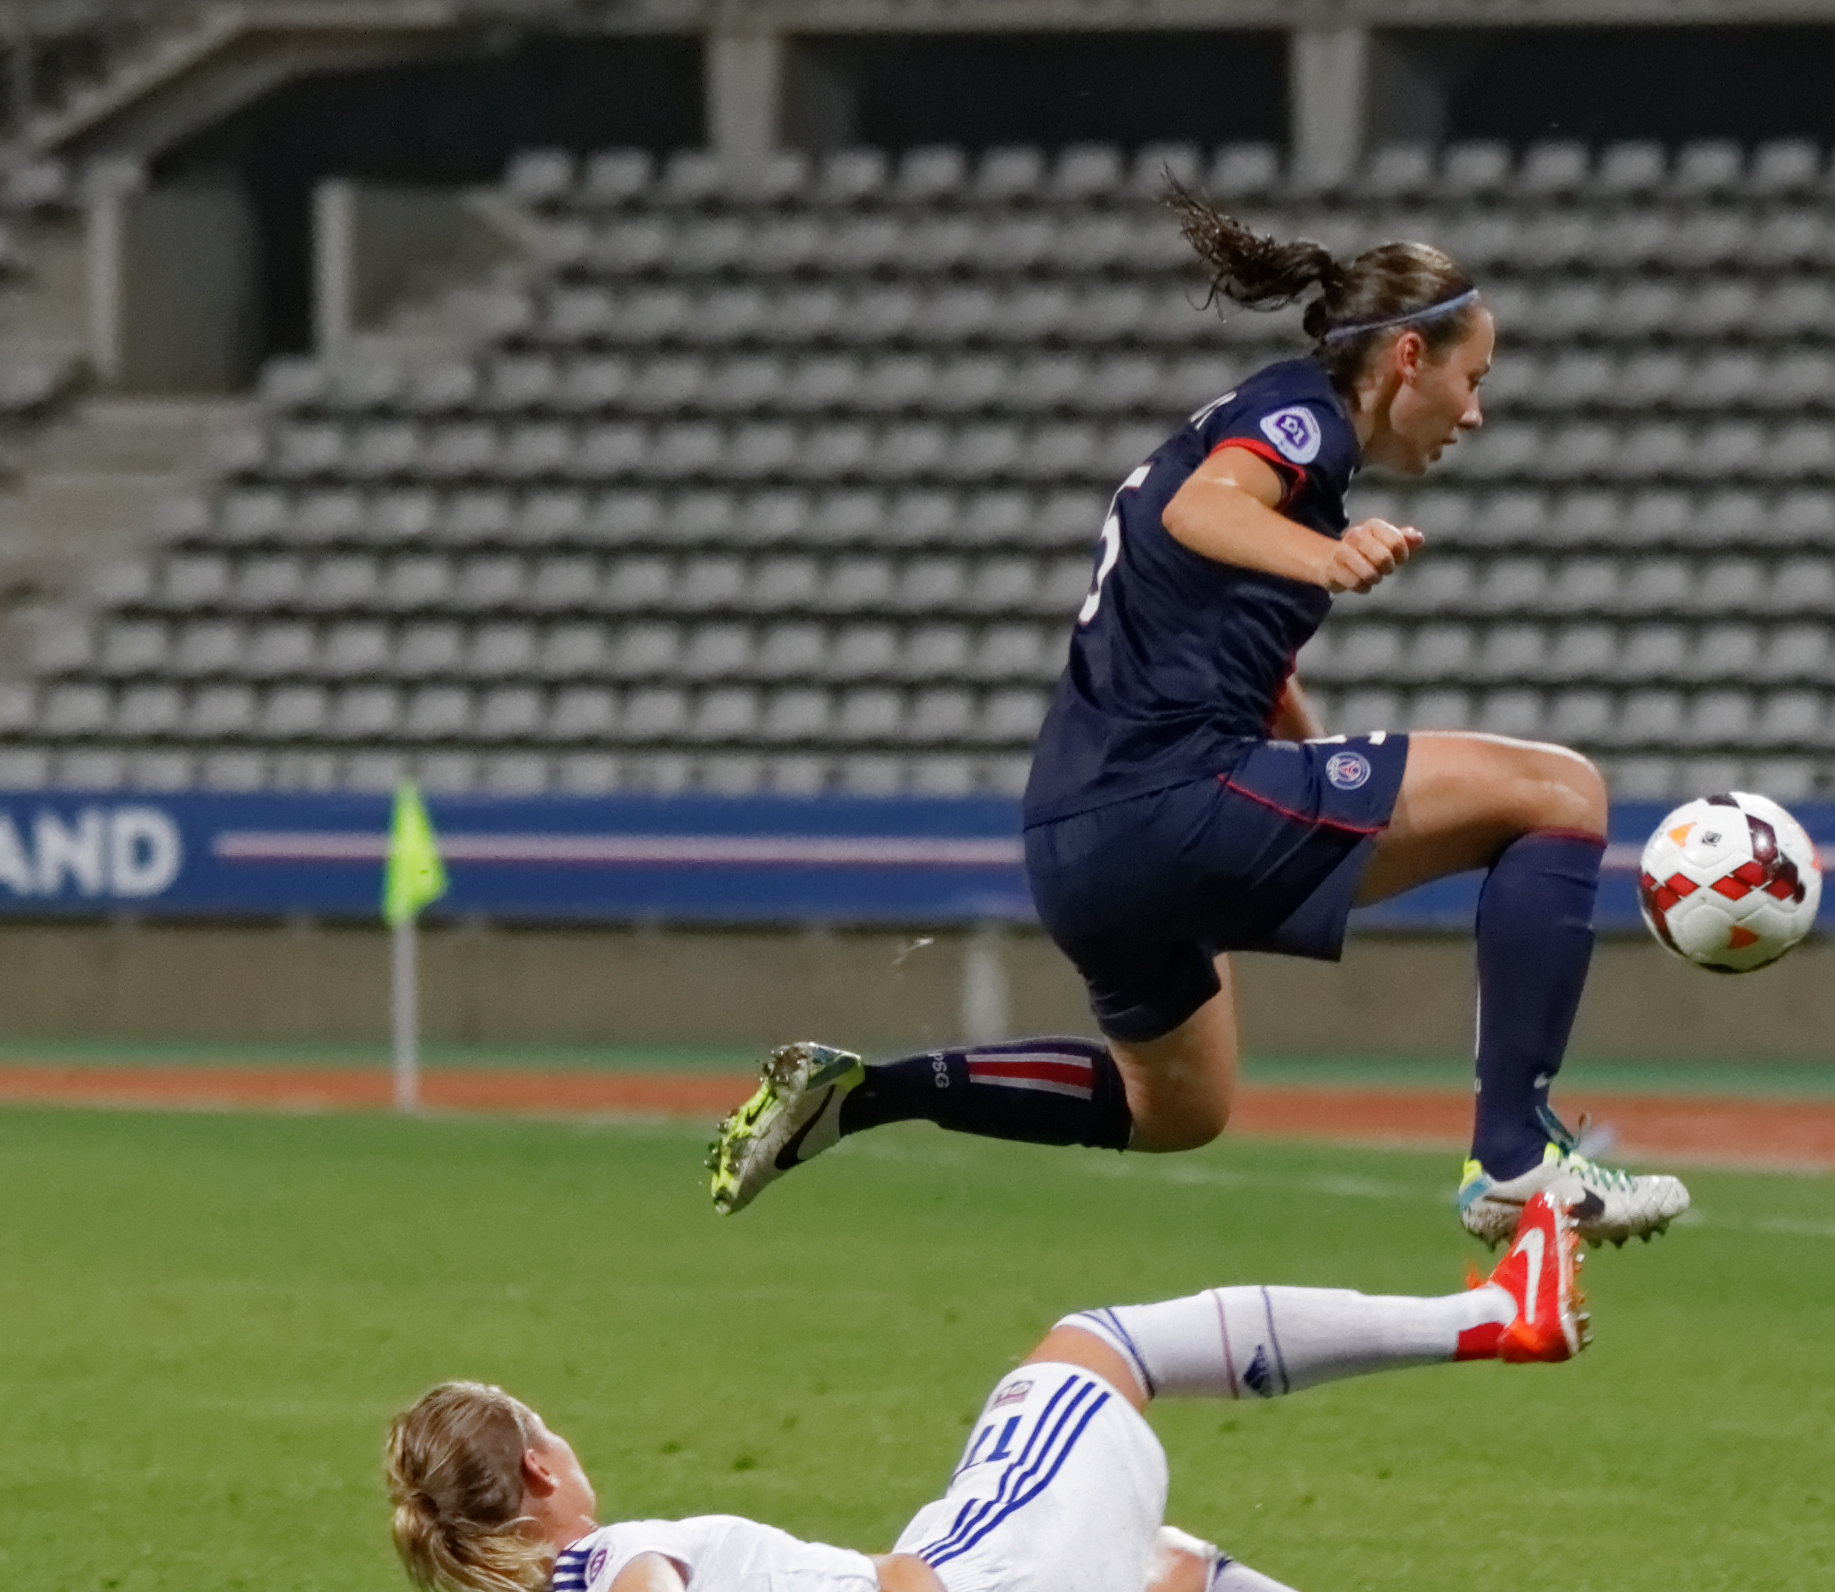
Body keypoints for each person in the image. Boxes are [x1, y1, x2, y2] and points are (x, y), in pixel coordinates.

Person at [0, 1195, 1661, 1592]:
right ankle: (1492, 1313)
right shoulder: (611, 1568)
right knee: (1085, 1347)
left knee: (1184, 1567)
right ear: (540, 1467)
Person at [706, 184, 1688, 1249]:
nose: (1476, 411)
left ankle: (860, 1092)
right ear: (1408, 356)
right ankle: (1514, 1157)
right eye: (1472, 378)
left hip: (1076, 839)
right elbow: (1203, 510)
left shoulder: (1261, 430)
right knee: (1559, 791)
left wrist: (1320, 769)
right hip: (1168, 800)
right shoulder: (1299, 419)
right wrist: (1330, 558)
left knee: (1175, 1106)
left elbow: (1228, 629)